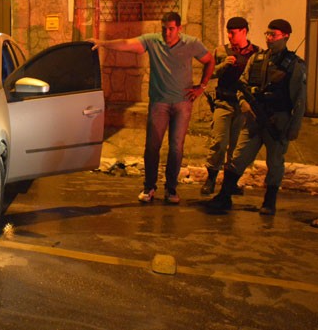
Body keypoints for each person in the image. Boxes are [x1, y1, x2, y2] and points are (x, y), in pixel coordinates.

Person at [92, 12, 215, 204]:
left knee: (176, 147)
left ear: (179, 28)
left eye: (171, 29)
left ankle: (171, 189)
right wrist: (103, 43)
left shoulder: (191, 43)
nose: (167, 33)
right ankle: (149, 187)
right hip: (159, 102)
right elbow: (127, 43)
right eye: (164, 28)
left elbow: (209, 60)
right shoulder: (153, 41)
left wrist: (202, 87)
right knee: (152, 146)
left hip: (183, 103)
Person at [207, 19, 306, 215]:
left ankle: (269, 201)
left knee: (275, 161)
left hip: (277, 120)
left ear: (285, 36)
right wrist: (243, 104)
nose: (269, 39)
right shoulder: (257, 59)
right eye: (267, 34)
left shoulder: (294, 65)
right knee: (239, 157)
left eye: (274, 35)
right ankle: (225, 195)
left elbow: (299, 99)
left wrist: (294, 126)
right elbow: (242, 85)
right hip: (253, 118)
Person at [201, 17, 260, 195]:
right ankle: (211, 178)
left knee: (236, 148)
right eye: (228, 32)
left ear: (244, 32)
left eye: (233, 32)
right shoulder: (222, 51)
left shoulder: (256, 53)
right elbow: (209, 74)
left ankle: (229, 183)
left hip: (244, 107)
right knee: (219, 141)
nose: (229, 36)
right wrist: (222, 65)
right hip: (224, 103)